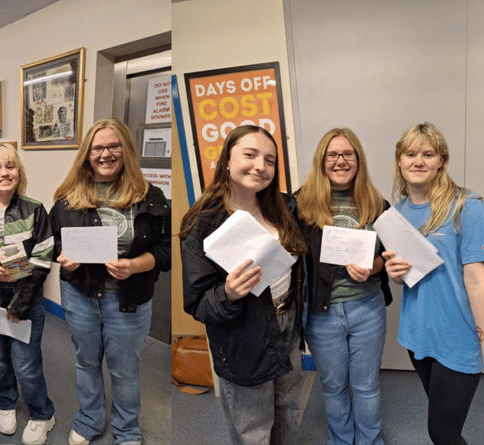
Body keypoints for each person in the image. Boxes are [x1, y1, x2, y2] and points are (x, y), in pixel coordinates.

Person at [180, 125, 308, 444]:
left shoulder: (282, 206)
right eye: (249, 155)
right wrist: (228, 293)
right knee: (253, 428)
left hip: (288, 323)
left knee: (289, 409)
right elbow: (198, 304)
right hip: (243, 335)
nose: (260, 166)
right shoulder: (202, 225)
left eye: (269, 160)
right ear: (226, 160)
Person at [49, 118, 171, 445]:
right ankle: (89, 421)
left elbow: (165, 250)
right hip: (80, 295)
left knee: (125, 370)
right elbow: (52, 242)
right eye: (98, 147)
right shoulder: (67, 197)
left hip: (128, 297)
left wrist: (134, 265)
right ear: (87, 153)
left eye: (113, 146)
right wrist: (64, 256)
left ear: (126, 150)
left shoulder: (151, 195)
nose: (106, 153)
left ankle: (127, 430)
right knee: (86, 363)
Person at [383, 122, 484, 444]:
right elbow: (406, 277)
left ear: (441, 160)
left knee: (442, 432)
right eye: (410, 154)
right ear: (399, 160)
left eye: (428, 154)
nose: (418, 161)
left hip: (457, 340)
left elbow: (478, 283)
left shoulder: (466, 206)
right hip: (417, 337)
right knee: (443, 424)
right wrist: (395, 274)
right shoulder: (395, 215)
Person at [295, 128, 391, 445]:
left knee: (366, 385)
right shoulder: (302, 204)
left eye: (348, 154)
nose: (340, 161)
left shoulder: (378, 204)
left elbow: (390, 258)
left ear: (358, 160)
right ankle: (341, 440)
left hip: (367, 309)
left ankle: (369, 442)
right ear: (322, 161)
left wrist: (374, 267)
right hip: (321, 313)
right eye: (332, 154)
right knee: (333, 385)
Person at [0, 142, 56, 444]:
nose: (4, 173)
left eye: (10, 166)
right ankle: (6, 404)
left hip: (26, 301)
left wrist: (19, 305)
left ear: (19, 171)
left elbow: (43, 259)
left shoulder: (35, 210)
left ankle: (42, 413)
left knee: (27, 365)